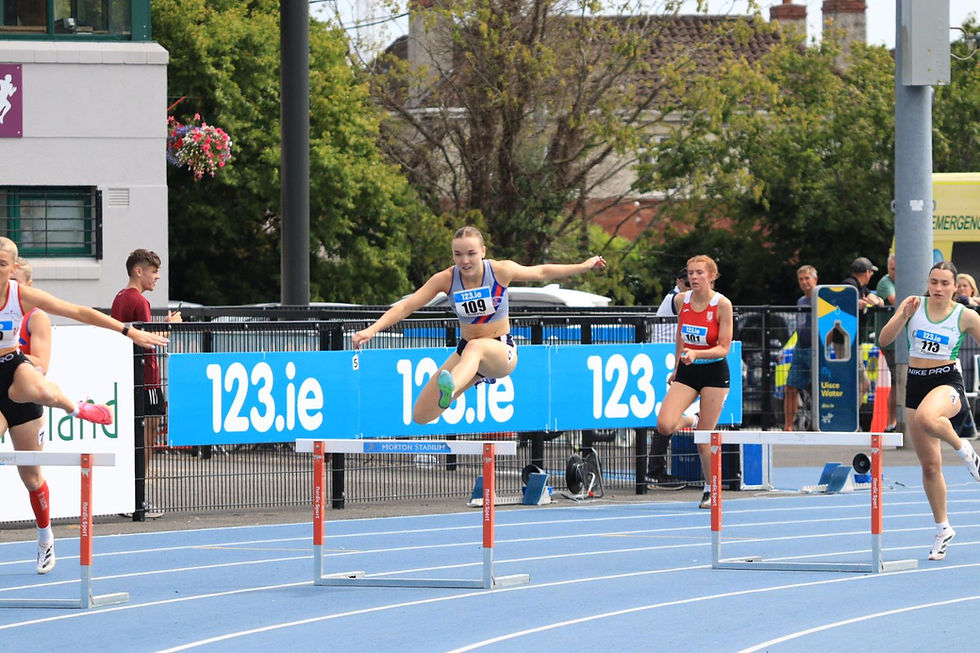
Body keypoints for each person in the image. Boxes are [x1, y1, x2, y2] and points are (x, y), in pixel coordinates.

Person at [0, 240, 168, 570]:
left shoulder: (21, 297)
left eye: (2, 264)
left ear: (13, 268)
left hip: (14, 370)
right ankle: (46, 534)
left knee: (34, 466)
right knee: (27, 475)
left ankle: (74, 408)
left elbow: (78, 312)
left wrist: (127, 331)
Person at [352, 226, 606, 423]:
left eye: (471, 253)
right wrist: (372, 329)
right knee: (420, 415)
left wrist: (583, 266)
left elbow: (541, 272)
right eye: (458, 254)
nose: (465, 261)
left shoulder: (500, 270)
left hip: (501, 351)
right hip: (467, 353)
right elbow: (408, 305)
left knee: (475, 348)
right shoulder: (446, 279)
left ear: (483, 251)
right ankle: (461, 383)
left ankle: (451, 389)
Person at [878, 261, 980, 561]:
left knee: (928, 418)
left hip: (947, 382)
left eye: (944, 283)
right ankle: (943, 528)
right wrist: (903, 316)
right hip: (916, 383)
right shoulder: (913, 305)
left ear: (955, 287)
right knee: (930, 466)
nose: (938, 288)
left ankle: (966, 452)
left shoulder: (965, 316)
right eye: (933, 282)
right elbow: (884, 339)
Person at [653, 255, 733, 508]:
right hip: (688, 371)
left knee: (703, 439)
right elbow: (681, 333)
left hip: (714, 374)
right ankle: (692, 418)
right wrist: (677, 365)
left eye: (699, 272)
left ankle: (711, 489)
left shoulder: (722, 304)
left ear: (712, 276)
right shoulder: (680, 301)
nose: (694, 277)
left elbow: (723, 348)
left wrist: (698, 353)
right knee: (664, 425)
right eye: (690, 273)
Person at [111, 249, 180, 518]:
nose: (157, 276)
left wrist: (160, 325)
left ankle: (131, 496)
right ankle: (136, 498)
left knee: (138, 438)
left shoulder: (120, 297)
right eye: (153, 271)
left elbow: (138, 333)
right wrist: (171, 325)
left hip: (133, 376)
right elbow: (148, 339)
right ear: (138, 271)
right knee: (146, 439)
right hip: (146, 380)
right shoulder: (138, 300)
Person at [783, 265, 817, 431]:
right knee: (790, 386)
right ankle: (788, 425)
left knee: (819, 388)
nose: (804, 282)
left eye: (807, 278)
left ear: (815, 280)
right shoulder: (801, 301)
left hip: (816, 348)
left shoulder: (821, 299)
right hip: (800, 347)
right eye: (801, 279)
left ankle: (819, 423)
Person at [875, 254, 898, 430]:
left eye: (898, 269)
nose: (895, 272)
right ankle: (892, 422)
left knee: (900, 381)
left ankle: (895, 421)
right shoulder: (885, 283)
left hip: (901, 340)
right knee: (898, 381)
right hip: (891, 342)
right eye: (892, 269)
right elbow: (896, 301)